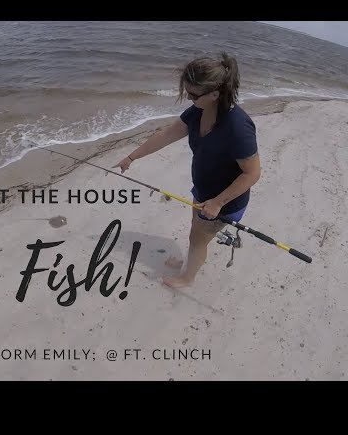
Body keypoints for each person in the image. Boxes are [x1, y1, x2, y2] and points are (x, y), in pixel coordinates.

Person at [112, 52, 261, 288]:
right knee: (197, 232)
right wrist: (131, 157)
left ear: (215, 93)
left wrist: (218, 202)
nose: (188, 98)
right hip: (202, 189)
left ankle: (187, 277)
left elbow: (252, 173)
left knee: (198, 239)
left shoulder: (238, 127)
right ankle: (189, 263)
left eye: (193, 94)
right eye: (187, 92)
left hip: (225, 201)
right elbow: (168, 134)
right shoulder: (198, 110)